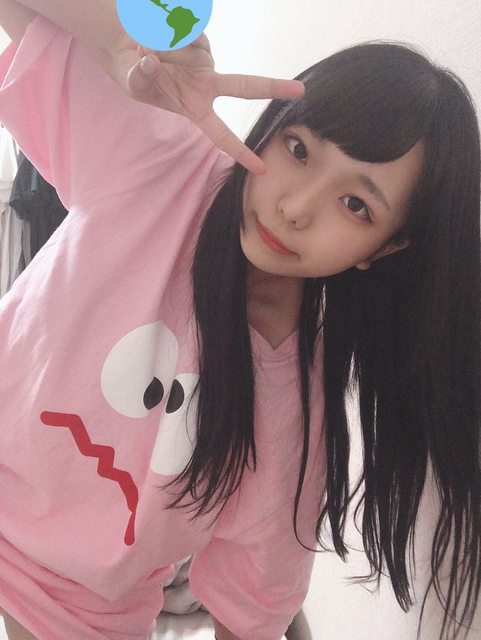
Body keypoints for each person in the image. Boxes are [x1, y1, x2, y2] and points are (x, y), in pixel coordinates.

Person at [0, 1, 479, 640]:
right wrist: (116, 41)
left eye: (354, 203)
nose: (295, 207)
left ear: (386, 248)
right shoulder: (162, 162)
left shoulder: (296, 411)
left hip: (74, 607)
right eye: (298, 149)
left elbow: (250, 609)